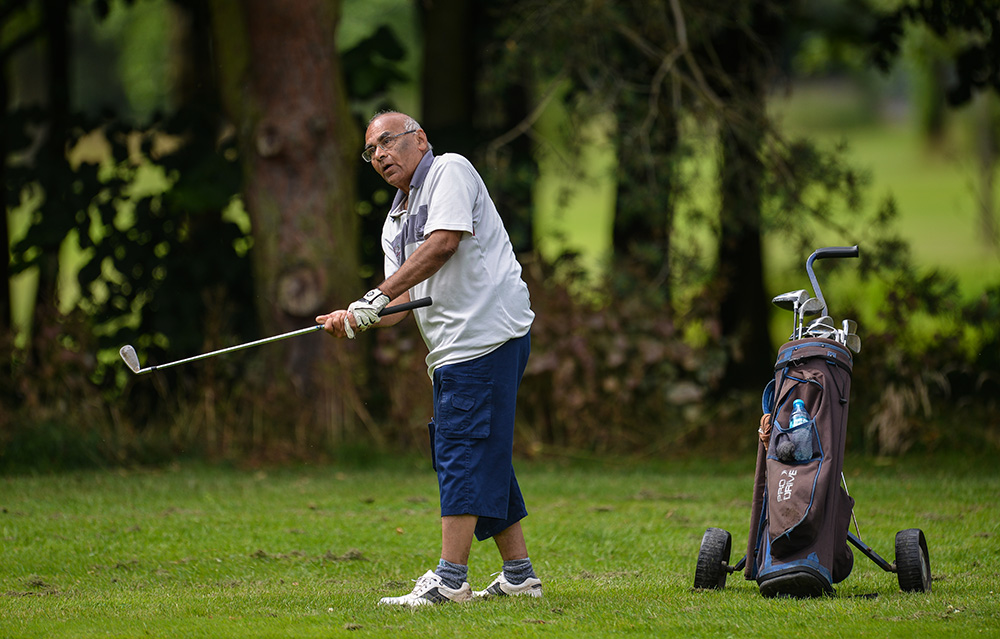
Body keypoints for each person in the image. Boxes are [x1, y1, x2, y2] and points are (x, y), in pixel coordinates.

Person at [316, 111, 541, 607]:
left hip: (486, 335)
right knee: (471, 451)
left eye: (388, 142)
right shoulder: (394, 221)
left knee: (461, 451)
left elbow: (443, 244)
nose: (380, 156)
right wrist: (357, 317)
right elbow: (397, 306)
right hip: (450, 350)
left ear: (419, 139)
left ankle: (450, 580)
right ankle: (519, 575)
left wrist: (374, 296)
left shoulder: (450, 172)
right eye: (371, 151)